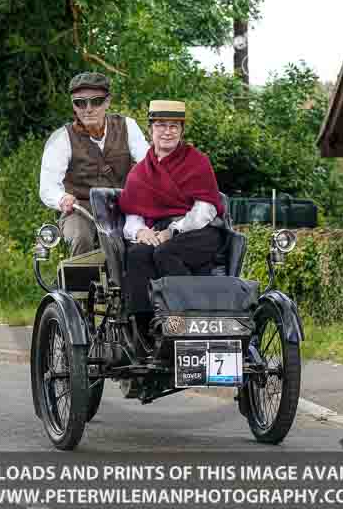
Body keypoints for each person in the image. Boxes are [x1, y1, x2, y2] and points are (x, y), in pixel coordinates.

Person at [118, 100, 225, 333]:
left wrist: (172, 231)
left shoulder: (197, 162)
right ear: (151, 130)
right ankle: (145, 329)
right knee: (137, 255)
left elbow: (205, 209)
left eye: (174, 126)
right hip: (156, 230)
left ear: (182, 131)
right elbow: (133, 213)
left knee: (167, 252)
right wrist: (141, 232)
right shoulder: (139, 172)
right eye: (161, 125)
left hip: (198, 231)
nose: (167, 131)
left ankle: (189, 317)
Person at [39, 72, 150, 256]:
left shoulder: (127, 126)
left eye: (96, 101)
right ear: (73, 105)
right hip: (81, 208)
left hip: (123, 204)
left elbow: (148, 164)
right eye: (80, 103)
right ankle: (79, 283)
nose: (88, 109)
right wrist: (61, 198)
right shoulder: (61, 138)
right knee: (80, 238)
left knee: (145, 239)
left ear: (107, 101)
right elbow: (47, 187)